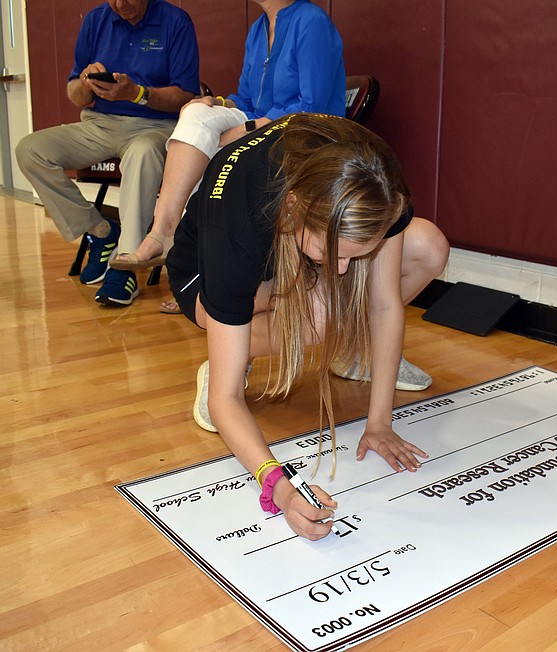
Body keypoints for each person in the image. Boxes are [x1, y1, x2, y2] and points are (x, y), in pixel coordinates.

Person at [166, 113, 449, 540]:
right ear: (294, 208)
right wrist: (279, 487)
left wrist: (379, 422)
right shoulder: (237, 225)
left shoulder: (378, 184)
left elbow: (384, 303)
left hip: (292, 252)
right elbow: (226, 400)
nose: (342, 270)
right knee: (318, 313)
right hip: (203, 275)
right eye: (334, 253)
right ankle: (230, 356)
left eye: (355, 255)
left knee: (429, 246)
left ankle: (351, 351)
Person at [111, 0, 345, 315]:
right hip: (263, 129)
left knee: (215, 154)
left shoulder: (311, 21)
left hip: (303, 136)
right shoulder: (258, 29)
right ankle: (165, 231)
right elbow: (246, 99)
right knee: (196, 115)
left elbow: (311, 107)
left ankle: (195, 272)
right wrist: (216, 103)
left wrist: (247, 129)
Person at [16, 0, 199, 306]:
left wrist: (137, 94)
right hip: (99, 124)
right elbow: (76, 96)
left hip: (155, 126)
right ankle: (101, 231)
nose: (119, 4)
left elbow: (185, 95)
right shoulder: (95, 20)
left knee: (142, 153)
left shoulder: (176, 21)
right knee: (30, 150)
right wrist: (86, 83)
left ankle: (126, 264)